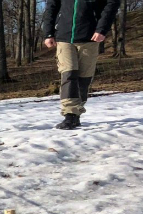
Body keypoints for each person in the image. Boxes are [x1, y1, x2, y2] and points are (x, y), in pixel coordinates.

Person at [41, 0, 120, 130]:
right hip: (64, 36)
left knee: (84, 77)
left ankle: (76, 113)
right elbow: (51, 7)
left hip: (90, 36)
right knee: (69, 73)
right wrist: (48, 32)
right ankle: (70, 114)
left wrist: (102, 29)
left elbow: (112, 5)